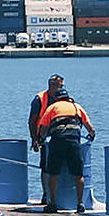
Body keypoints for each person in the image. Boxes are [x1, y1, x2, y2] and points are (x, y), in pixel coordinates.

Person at [36, 87, 95, 214]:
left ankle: (52, 203)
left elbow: (43, 128)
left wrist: (41, 139)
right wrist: (91, 134)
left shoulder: (52, 108)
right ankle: (80, 203)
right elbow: (89, 126)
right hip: (74, 142)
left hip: (57, 142)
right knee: (78, 174)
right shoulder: (76, 107)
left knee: (54, 173)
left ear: (57, 98)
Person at [28, 73, 64, 205]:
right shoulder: (40, 99)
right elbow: (32, 121)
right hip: (44, 137)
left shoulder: (64, 99)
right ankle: (46, 194)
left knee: (60, 166)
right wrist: (34, 139)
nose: (61, 88)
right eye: (60, 86)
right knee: (45, 166)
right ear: (52, 85)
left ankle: (59, 194)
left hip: (61, 136)